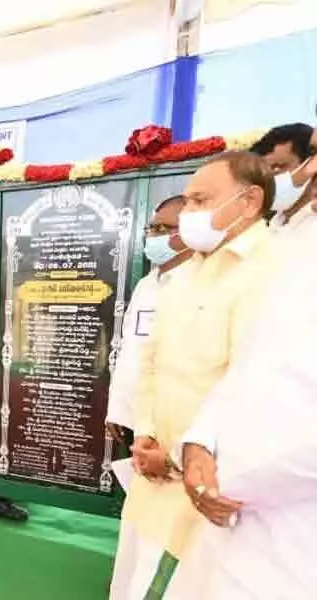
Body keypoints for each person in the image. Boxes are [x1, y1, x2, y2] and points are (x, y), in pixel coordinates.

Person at [110, 151, 276, 600]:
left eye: (200, 199)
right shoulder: (186, 273)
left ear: (248, 201)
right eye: (188, 201)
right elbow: (152, 361)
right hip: (153, 476)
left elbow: (257, 389)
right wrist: (144, 433)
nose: (189, 213)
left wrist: (183, 458)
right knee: (134, 581)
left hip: (205, 488)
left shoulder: (273, 272)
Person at [163, 201, 317, 598]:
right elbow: (244, 371)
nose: (313, 170)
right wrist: (197, 448)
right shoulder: (297, 257)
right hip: (224, 525)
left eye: (200, 199)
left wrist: (220, 484)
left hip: (292, 536)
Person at [105, 195, 192, 444]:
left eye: (163, 228)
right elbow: (129, 350)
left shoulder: (200, 282)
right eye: (151, 228)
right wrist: (118, 409)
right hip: (134, 419)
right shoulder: (147, 285)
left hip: (174, 424)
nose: (154, 235)